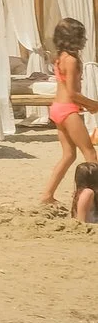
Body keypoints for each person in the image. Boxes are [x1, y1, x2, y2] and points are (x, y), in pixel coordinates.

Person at [41, 18, 97, 209]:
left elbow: (67, 90)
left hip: (58, 107)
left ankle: (47, 195)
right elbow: (73, 93)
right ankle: (95, 198)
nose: (85, 40)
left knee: (68, 155)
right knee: (90, 153)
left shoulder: (60, 57)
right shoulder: (72, 60)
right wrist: (93, 104)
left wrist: (87, 105)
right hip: (68, 110)